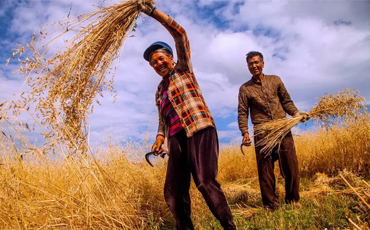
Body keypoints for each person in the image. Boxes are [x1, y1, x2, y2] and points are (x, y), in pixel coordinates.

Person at [137, 1, 236, 229]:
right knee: (173, 191)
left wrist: (152, 11)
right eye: (154, 63)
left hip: (199, 129)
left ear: (171, 58)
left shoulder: (183, 70)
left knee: (204, 181)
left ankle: (229, 227)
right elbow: (163, 122)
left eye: (161, 58)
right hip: (177, 140)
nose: (158, 63)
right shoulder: (160, 90)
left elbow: (180, 34)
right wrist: (160, 139)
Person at [237, 51, 309, 210]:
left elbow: (286, 101)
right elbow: (242, 112)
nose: (254, 66)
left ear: (262, 63)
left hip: (282, 128)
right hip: (262, 132)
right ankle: (270, 206)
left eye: (257, 62)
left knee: (291, 164)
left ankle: (293, 200)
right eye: (251, 64)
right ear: (248, 67)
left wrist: (296, 114)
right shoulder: (245, 89)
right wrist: (245, 132)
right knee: (265, 170)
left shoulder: (275, 80)